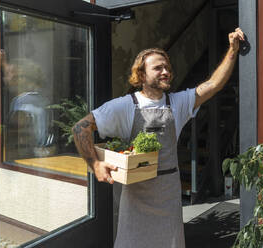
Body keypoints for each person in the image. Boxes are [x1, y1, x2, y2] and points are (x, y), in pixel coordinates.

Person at [72, 27, 245, 248]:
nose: (166, 71)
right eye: (158, 68)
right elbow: (80, 129)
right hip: (136, 195)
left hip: (168, 193)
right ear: (141, 75)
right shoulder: (124, 106)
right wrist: (95, 164)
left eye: (167, 67)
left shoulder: (178, 102)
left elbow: (213, 85)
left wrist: (232, 50)